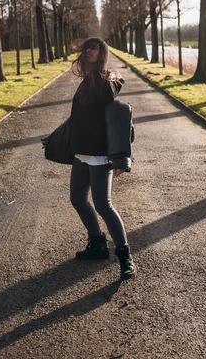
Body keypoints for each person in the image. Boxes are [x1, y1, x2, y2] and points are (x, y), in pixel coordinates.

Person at [68, 37, 136, 281]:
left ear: (103, 52)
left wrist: (120, 158)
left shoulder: (109, 81)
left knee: (103, 205)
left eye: (95, 47)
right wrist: (54, 138)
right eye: (87, 46)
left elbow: (120, 121)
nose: (89, 50)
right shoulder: (85, 82)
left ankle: (125, 256)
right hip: (81, 154)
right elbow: (76, 119)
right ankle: (97, 243)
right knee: (77, 198)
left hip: (99, 155)